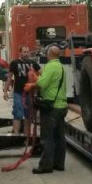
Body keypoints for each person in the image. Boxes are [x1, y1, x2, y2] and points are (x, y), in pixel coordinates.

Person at [28, 45, 67, 174]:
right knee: (60, 137)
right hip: (61, 107)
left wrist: (31, 83)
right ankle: (59, 164)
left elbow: (42, 84)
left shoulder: (50, 66)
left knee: (47, 138)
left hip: (51, 108)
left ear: (49, 55)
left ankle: (45, 166)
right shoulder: (61, 67)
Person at [3, 45, 41, 135]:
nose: (26, 54)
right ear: (20, 53)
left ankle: (26, 136)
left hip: (30, 94)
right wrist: (5, 91)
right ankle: (16, 135)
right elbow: (9, 78)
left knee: (28, 116)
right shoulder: (14, 63)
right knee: (17, 114)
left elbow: (42, 75)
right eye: (24, 52)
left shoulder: (33, 63)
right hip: (18, 93)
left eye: (27, 52)